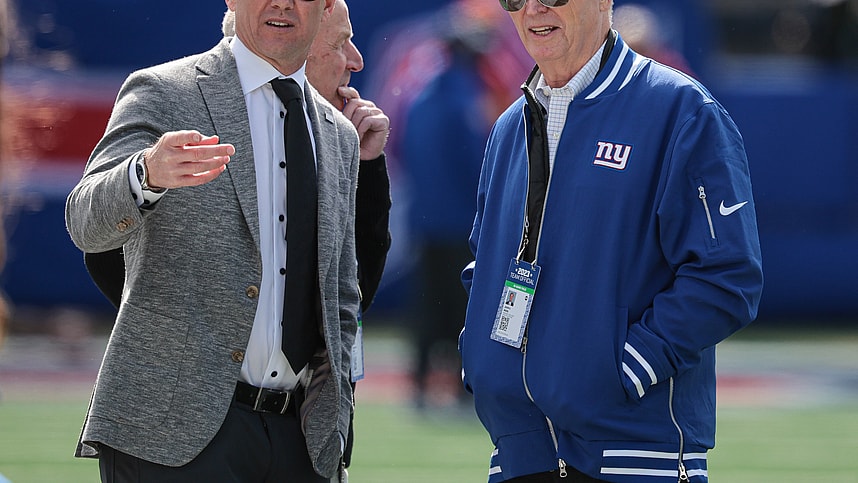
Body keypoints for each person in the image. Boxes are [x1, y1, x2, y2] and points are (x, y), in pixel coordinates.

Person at [459, 0, 763, 482]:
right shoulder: (508, 127)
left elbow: (727, 276)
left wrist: (623, 370)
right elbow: (490, 261)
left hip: (633, 457)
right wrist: (482, 358)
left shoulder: (681, 110)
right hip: (520, 452)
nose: (533, 8)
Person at [65, 0, 361, 481]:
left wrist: (337, 423)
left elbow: (341, 297)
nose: (282, 3)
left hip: (299, 442)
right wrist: (145, 175)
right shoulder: (163, 90)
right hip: (169, 438)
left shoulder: (338, 137)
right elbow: (84, 220)